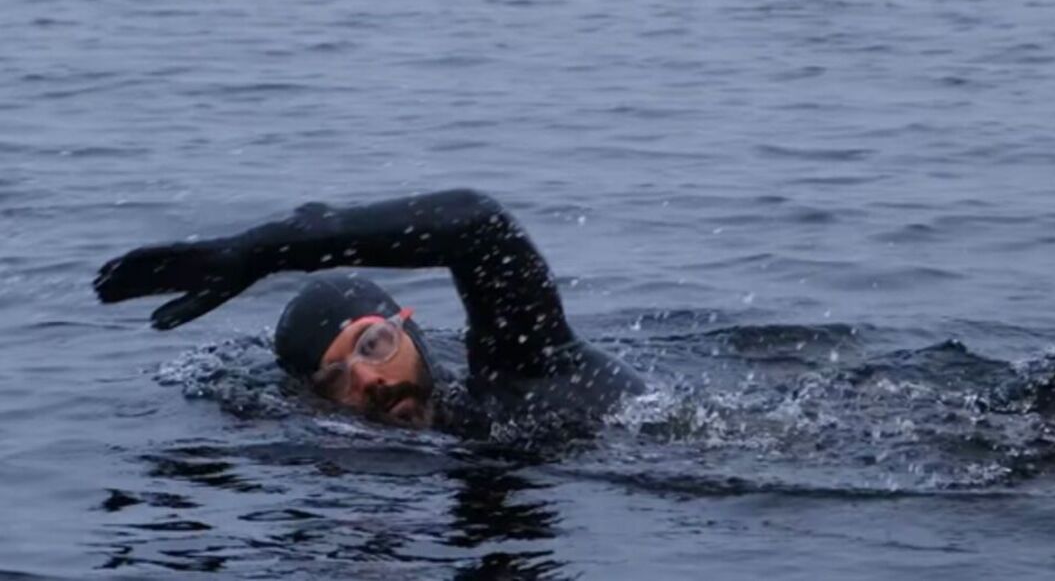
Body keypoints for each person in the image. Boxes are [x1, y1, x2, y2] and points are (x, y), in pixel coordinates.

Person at [94, 188, 648, 432]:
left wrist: (264, 249)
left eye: (372, 344)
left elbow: (478, 224)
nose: (365, 377)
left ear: (409, 328)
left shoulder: (528, 371)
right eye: (334, 379)